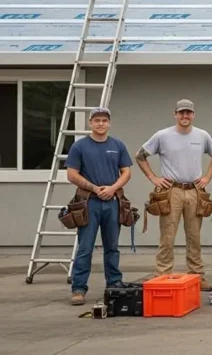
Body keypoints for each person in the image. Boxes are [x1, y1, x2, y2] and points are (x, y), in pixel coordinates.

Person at [135, 99, 212, 290]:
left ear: (193, 115)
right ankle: (162, 275)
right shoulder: (162, 136)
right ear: (175, 114)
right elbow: (140, 156)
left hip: (194, 191)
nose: (185, 116)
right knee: (167, 236)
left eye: (188, 113)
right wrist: (153, 178)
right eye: (181, 113)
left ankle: (197, 275)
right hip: (171, 191)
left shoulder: (202, 135)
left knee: (194, 237)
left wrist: (207, 176)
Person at [66, 107, 133, 306]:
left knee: (112, 247)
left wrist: (112, 189)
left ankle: (114, 283)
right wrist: (95, 188)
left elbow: (126, 172)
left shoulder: (117, 145)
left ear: (109, 123)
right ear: (90, 123)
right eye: (97, 120)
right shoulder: (80, 146)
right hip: (89, 204)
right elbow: (71, 174)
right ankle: (79, 288)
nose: (101, 123)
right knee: (85, 247)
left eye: (104, 120)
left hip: (112, 203)